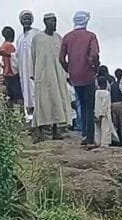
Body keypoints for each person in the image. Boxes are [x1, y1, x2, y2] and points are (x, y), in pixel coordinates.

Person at [60, 10, 100, 146]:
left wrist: (69, 70)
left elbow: (61, 58)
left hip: (75, 76)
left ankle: (84, 134)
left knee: (81, 105)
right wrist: (95, 67)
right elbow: (94, 55)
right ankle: (90, 138)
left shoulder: (67, 37)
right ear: (86, 21)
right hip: (88, 74)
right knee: (89, 106)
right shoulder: (91, 36)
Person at [31, 13, 73, 142]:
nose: (54, 23)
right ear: (45, 22)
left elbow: (63, 57)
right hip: (43, 75)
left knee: (56, 101)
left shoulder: (58, 38)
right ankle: (42, 131)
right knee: (43, 102)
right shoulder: (37, 38)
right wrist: (33, 73)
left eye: (55, 21)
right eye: (51, 21)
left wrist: (66, 74)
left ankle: (55, 130)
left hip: (57, 75)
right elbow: (33, 56)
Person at [17, 11, 39, 118]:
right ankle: (30, 115)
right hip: (23, 70)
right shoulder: (20, 38)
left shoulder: (36, 33)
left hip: (34, 68)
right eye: (24, 19)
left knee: (35, 90)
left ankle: (38, 115)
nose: (26, 21)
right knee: (26, 91)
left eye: (28, 19)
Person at [0, 26, 23, 107]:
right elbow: (14, 60)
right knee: (19, 97)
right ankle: (21, 112)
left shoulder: (3, 45)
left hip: (6, 74)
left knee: (10, 97)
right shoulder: (10, 46)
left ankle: (10, 113)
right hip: (13, 74)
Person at [94, 76, 114, 147]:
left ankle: (97, 142)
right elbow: (105, 104)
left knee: (97, 129)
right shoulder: (107, 93)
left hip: (96, 113)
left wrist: (97, 114)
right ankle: (104, 143)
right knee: (105, 128)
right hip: (105, 113)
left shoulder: (96, 92)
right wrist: (102, 113)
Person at [111, 68, 122, 146]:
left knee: (115, 125)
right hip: (121, 104)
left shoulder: (112, 85)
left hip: (113, 104)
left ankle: (115, 141)